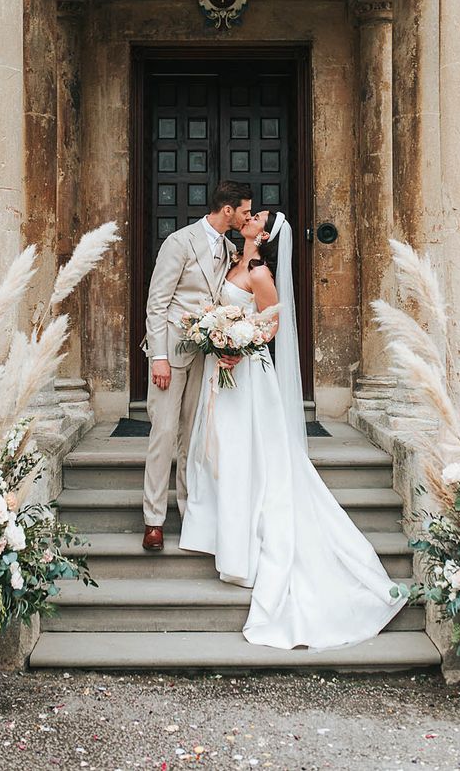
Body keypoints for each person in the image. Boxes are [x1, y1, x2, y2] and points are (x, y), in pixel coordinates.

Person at [179, 209, 407, 649]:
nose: (248, 216)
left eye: (256, 216)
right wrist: (215, 334)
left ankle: (243, 543)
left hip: (246, 374)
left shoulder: (259, 272)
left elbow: (272, 326)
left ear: (262, 234)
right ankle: (219, 528)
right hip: (224, 375)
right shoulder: (231, 261)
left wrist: (235, 342)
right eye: (248, 212)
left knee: (248, 453)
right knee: (222, 450)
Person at [141, 181, 252, 552]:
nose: (246, 217)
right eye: (244, 211)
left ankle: (189, 513)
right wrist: (158, 356)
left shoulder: (228, 246)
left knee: (193, 435)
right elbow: (157, 303)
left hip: (204, 352)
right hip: (170, 353)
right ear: (227, 210)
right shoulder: (179, 242)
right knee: (164, 433)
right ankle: (153, 520)